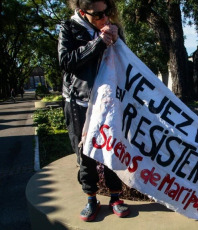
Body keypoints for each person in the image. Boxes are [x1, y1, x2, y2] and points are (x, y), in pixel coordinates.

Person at [58, 0, 129, 222]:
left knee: (111, 148)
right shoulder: (68, 28)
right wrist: (97, 42)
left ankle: (116, 197)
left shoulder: (113, 26)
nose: (103, 17)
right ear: (82, 12)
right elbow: (66, 61)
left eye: (107, 12)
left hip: (108, 102)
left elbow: (125, 59)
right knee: (86, 153)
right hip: (79, 102)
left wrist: (117, 40)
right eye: (97, 14)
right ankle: (91, 199)